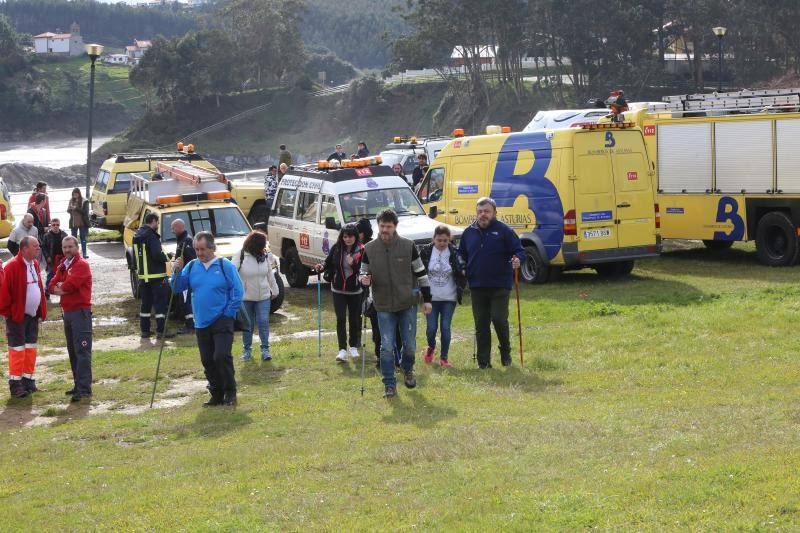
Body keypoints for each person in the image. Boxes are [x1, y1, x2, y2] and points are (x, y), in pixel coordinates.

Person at [360, 209, 432, 397]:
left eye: (388, 226)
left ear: (395, 227)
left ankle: (407, 370)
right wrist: (364, 279)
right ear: (378, 225)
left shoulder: (409, 246)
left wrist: (427, 300)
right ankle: (389, 384)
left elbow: (422, 274)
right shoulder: (368, 249)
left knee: (409, 346)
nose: (385, 229)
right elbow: (363, 272)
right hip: (382, 305)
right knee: (386, 347)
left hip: (407, 303)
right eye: (382, 225)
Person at [171, 231, 244, 406]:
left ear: (212, 248)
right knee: (207, 360)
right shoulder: (191, 266)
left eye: (203, 249)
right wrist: (176, 272)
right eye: (197, 249)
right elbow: (176, 288)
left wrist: (228, 313)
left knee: (221, 356)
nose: (199, 253)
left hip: (222, 319)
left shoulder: (224, 265)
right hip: (201, 322)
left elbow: (238, 290)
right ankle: (216, 394)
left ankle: (230, 392)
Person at [458, 197, 525, 368]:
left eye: (487, 211)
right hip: (477, 285)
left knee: (498, 319)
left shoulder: (504, 230)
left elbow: (519, 250)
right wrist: (462, 266)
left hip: (500, 284)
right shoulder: (468, 232)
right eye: (480, 211)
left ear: (495, 213)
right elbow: (461, 254)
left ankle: (505, 352)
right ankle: (483, 362)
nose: (483, 215)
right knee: (481, 324)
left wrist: (518, 259)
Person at [0, 236, 46, 398]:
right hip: (17, 317)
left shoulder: (33, 264)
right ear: (24, 249)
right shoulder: (11, 266)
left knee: (30, 348)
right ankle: (16, 384)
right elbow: (4, 294)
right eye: (35, 246)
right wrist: (10, 314)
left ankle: (28, 380)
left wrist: (40, 310)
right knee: (17, 350)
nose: (38, 248)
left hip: (32, 316)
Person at [48, 236, 93, 402]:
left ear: (77, 247)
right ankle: (77, 385)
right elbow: (51, 286)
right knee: (73, 351)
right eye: (64, 247)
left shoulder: (81, 265)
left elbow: (69, 286)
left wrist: (62, 286)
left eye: (70, 247)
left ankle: (84, 389)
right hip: (68, 312)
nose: (67, 250)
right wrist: (61, 287)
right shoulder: (63, 265)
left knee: (82, 351)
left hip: (80, 313)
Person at [314, 224, 364, 363]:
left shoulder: (362, 250)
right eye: (345, 236)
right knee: (340, 319)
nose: (347, 239)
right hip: (338, 290)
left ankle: (353, 346)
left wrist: (353, 264)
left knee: (354, 319)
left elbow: (364, 270)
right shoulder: (337, 248)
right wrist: (321, 266)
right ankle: (342, 350)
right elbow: (328, 262)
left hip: (355, 290)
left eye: (350, 236)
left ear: (356, 236)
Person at [419, 225, 467, 368]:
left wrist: (462, 275)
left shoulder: (454, 252)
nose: (442, 243)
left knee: (445, 327)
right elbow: (418, 271)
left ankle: (444, 358)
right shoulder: (426, 252)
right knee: (431, 328)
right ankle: (431, 347)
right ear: (433, 239)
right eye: (439, 240)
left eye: (445, 240)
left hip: (449, 297)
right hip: (431, 298)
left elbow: (462, 269)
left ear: (449, 240)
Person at [232, 230, 279, 362]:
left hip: (263, 296)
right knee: (248, 324)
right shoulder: (240, 255)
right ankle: (246, 350)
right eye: (261, 246)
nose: (263, 248)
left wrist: (274, 290)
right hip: (246, 297)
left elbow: (270, 274)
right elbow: (232, 274)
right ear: (254, 245)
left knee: (263, 321)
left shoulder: (264, 255)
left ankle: (265, 349)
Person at [133, 213, 170, 339]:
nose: (158, 225)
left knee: (146, 305)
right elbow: (156, 254)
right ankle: (161, 331)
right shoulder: (151, 236)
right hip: (157, 276)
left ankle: (145, 331)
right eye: (158, 222)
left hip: (143, 277)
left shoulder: (137, 235)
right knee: (160, 305)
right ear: (153, 221)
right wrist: (168, 257)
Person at [171, 218, 196, 334]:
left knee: (187, 301)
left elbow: (191, 260)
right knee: (183, 300)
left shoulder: (187, 242)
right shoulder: (182, 241)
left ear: (180, 227)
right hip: (183, 276)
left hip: (187, 278)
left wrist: (186, 274)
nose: (172, 231)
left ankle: (190, 325)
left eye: (173, 228)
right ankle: (187, 322)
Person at [41, 218, 68, 299]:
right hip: (52, 260)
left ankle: (63, 293)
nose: (55, 226)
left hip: (63, 260)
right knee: (50, 276)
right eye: (54, 225)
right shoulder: (46, 236)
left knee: (63, 277)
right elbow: (44, 248)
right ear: (51, 225)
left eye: (57, 225)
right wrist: (47, 257)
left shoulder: (64, 235)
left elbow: (68, 246)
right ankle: (47, 292)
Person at [67, 187, 90, 259]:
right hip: (73, 223)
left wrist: (76, 208)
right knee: (73, 239)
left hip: (82, 222)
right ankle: (74, 254)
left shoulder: (84, 201)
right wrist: (70, 208)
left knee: (83, 238)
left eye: (76, 194)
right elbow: (68, 210)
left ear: (79, 194)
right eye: (74, 194)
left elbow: (85, 212)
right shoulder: (71, 200)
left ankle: (84, 253)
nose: (75, 196)